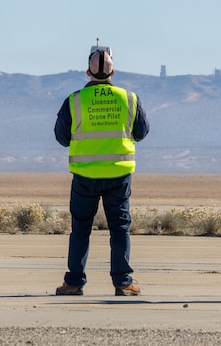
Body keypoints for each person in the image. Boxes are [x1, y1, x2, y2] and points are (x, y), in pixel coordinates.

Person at [53, 44, 150, 297]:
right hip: (119, 176)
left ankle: (74, 282)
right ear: (112, 73)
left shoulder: (74, 100)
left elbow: (62, 138)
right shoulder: (129, 98)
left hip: (84, 175)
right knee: (120, 229)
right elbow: (141, 132)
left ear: (87, 73)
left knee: (81, 229)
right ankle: (124, 283)